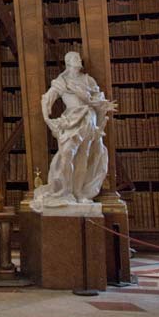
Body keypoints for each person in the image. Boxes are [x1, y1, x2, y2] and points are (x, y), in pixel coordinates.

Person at [32, 51, 115, 211]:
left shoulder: (88, 80)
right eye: (75, 58)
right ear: (68, 62)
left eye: (78, 58)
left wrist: (101, 105)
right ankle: (64, 190)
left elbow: (99, 100)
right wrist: (48, 120)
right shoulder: (61, 82)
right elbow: (46, 99)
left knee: (83, 156)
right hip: (70, 120)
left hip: (88, 119)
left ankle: (79, 193)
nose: (79, 60)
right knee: (67, 154)